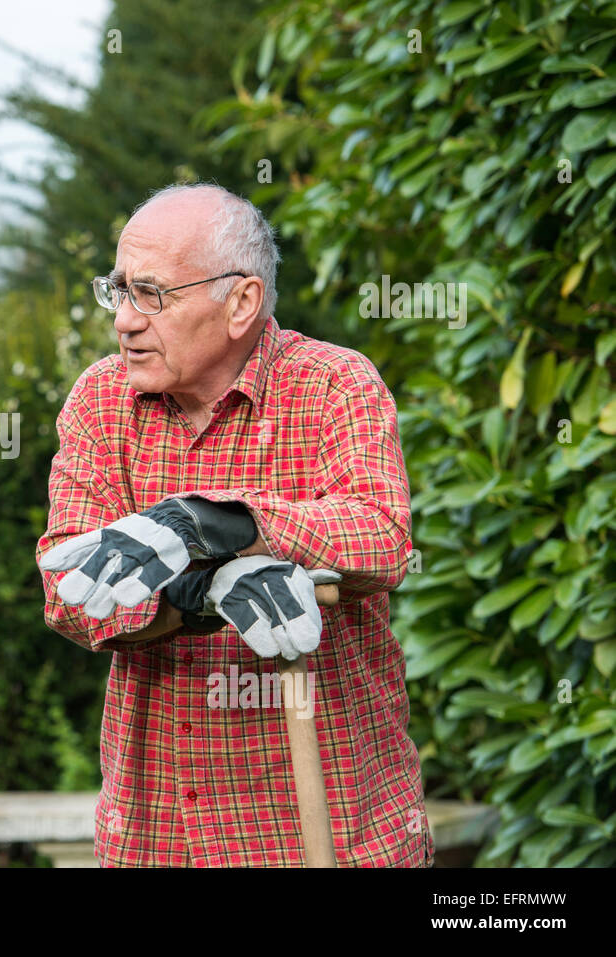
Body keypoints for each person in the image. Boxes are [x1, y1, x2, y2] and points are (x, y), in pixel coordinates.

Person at [36, 183, 432, 867]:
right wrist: (197, 599)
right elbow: (68, 595)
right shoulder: (102, 402)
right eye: (118, 290)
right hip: (160, 840)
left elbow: (382, 535)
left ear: (241, 302)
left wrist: (220, 522)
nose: (124, 320)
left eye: (152, 294)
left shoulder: (334, 384)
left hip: (335, 833)